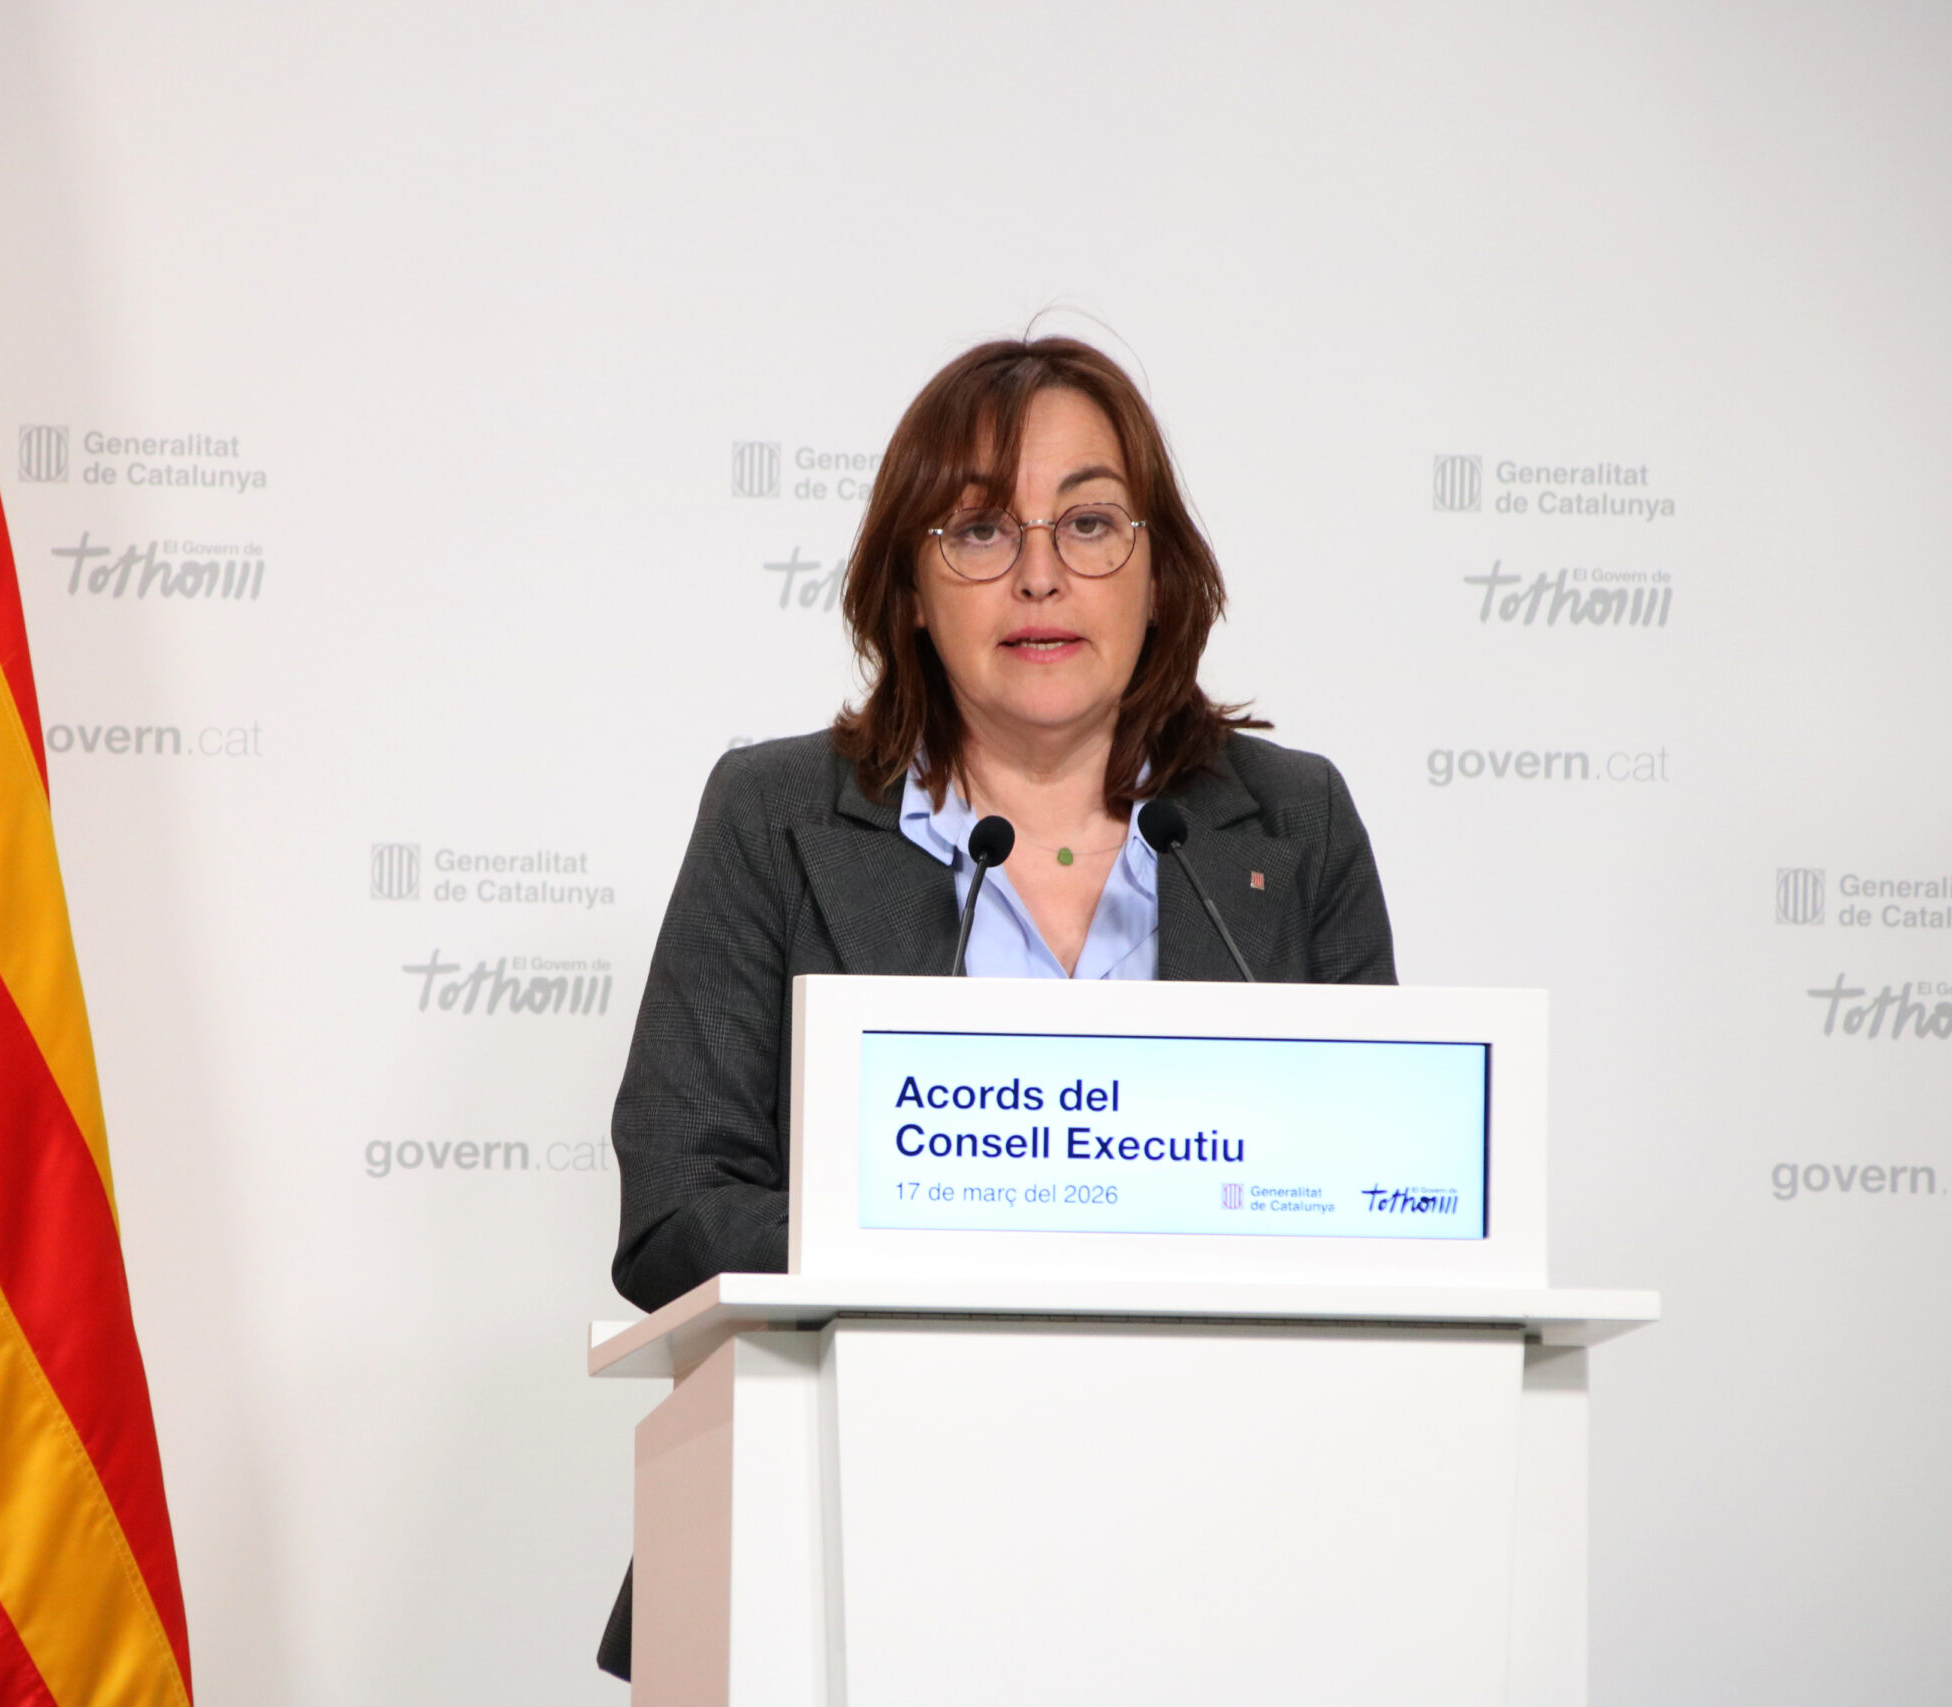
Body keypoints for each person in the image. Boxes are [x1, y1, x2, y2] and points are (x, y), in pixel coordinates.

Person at [594, 336, 1394, 1679]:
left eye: (1089, 521)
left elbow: (1380, 1197)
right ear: (908, 590)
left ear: (1159, 571)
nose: (1039, 574)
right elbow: (677, 1207)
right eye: (976, 529)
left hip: (1231, 1527)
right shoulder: (775, 817)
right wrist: (983, 1212)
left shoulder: (1290, 825)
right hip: (842, 1521)